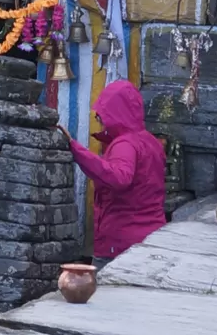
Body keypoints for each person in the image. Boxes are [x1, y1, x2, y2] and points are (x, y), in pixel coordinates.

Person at [58, 80, 169, 263]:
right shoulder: (149, 141)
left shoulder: (125, 144)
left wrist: (76, 150)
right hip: (150, 236)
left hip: (121, 244)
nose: (100, 120)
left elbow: (119, 177)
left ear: (115, 113)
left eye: (102, 115)